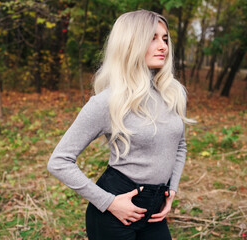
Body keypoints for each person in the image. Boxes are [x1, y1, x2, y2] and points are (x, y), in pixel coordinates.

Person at [47, 9, 193, 240]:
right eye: (152, 38)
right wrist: (109, 202)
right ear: (130, 43)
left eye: (165, 39)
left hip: (155, 211)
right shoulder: (108, 101)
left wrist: (171, 190)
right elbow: (59, 161)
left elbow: (180, 146)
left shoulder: (171, 94)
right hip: (114, 213)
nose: (163, 46)